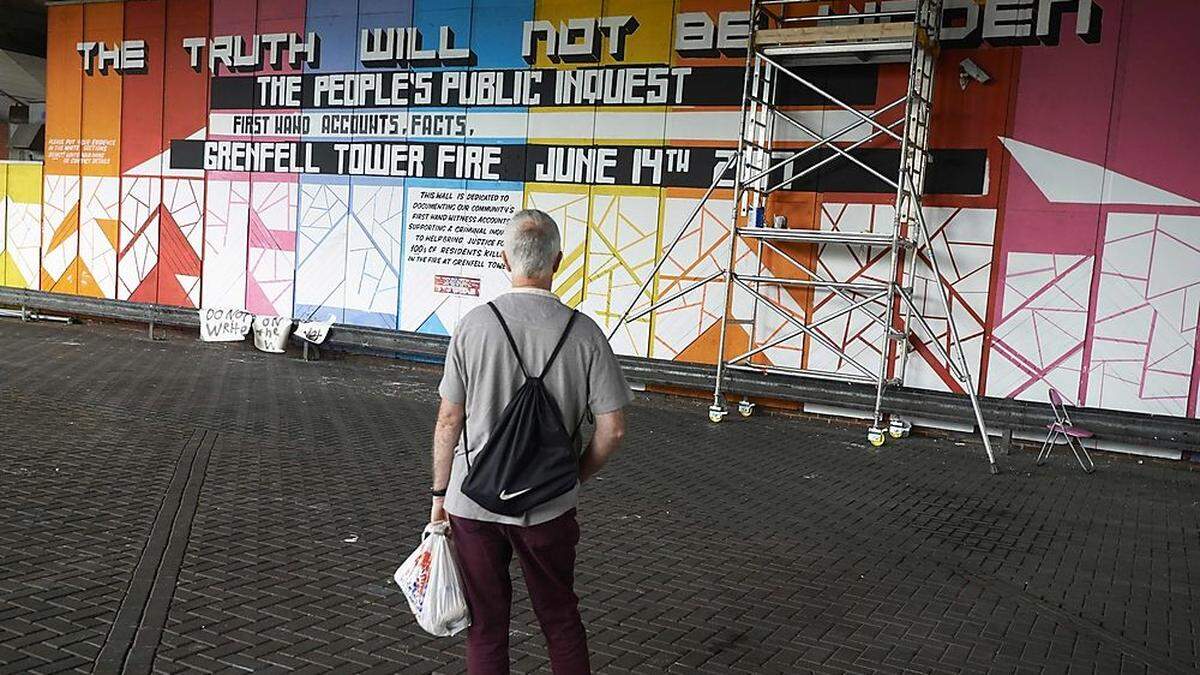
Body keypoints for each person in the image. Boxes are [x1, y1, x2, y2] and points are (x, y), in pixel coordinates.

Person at [428, 209, 632, 674]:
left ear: (505, 260)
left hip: (473, 502)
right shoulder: (585, 334)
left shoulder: (473, 326)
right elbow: (613, 428)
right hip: (548, 507)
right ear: (558, 261)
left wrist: (440, 496)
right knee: (560, 619)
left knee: (486, 625)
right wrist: (574, 476)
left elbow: (447, 420)